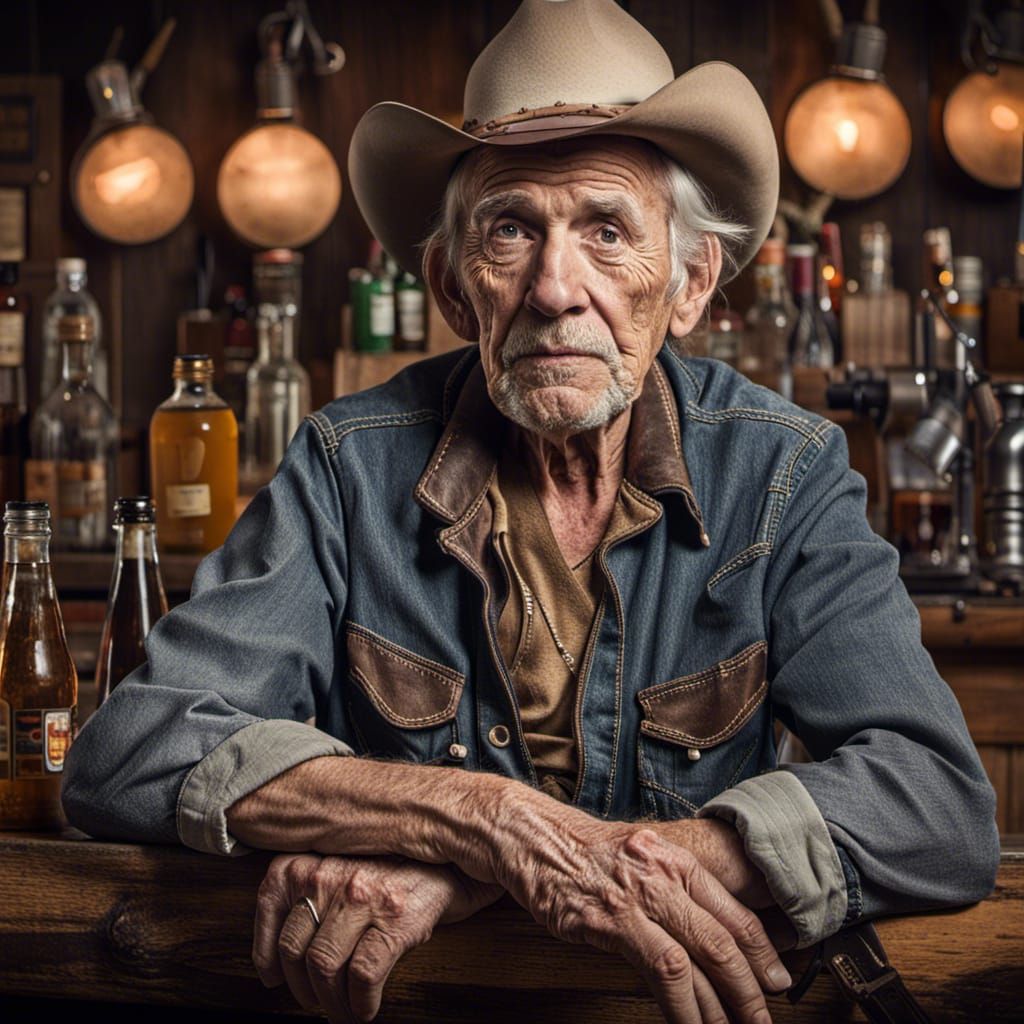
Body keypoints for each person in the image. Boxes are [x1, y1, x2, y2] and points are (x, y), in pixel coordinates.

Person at [62, 1, 999, 1022]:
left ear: (688, 285)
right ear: (456, 290)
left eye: (607, 230)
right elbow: (133, 749)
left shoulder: (784, 470)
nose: (556, 288)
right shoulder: (346, 467)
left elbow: (936, 804)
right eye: (511, 229)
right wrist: (479, 822)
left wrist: (610, 862)